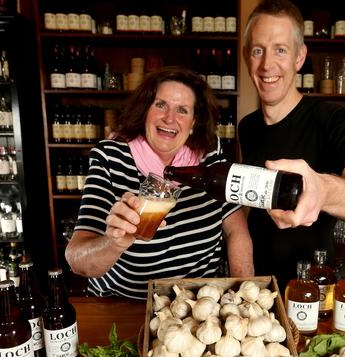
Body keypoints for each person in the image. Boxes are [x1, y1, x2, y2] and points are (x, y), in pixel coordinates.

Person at [239, 0, 345, 288]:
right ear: (247, 56)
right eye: (258, 50)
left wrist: (322, 189)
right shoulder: (247, 127)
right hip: (257, 289)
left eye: (280, 50)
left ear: (299, 57)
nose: (267, 64)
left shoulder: (329, 118)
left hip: (311, 289)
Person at [66, 66, 254, 299]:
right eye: (161, 105)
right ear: (145, 110)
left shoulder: (209, 153)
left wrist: (244, 296)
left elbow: (236, 230)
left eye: (182, 110)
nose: (170, 118)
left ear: (194, 123)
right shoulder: (110, 157)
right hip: (129, 305)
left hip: (201, 306)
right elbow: (77, 260)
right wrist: (114, 243)